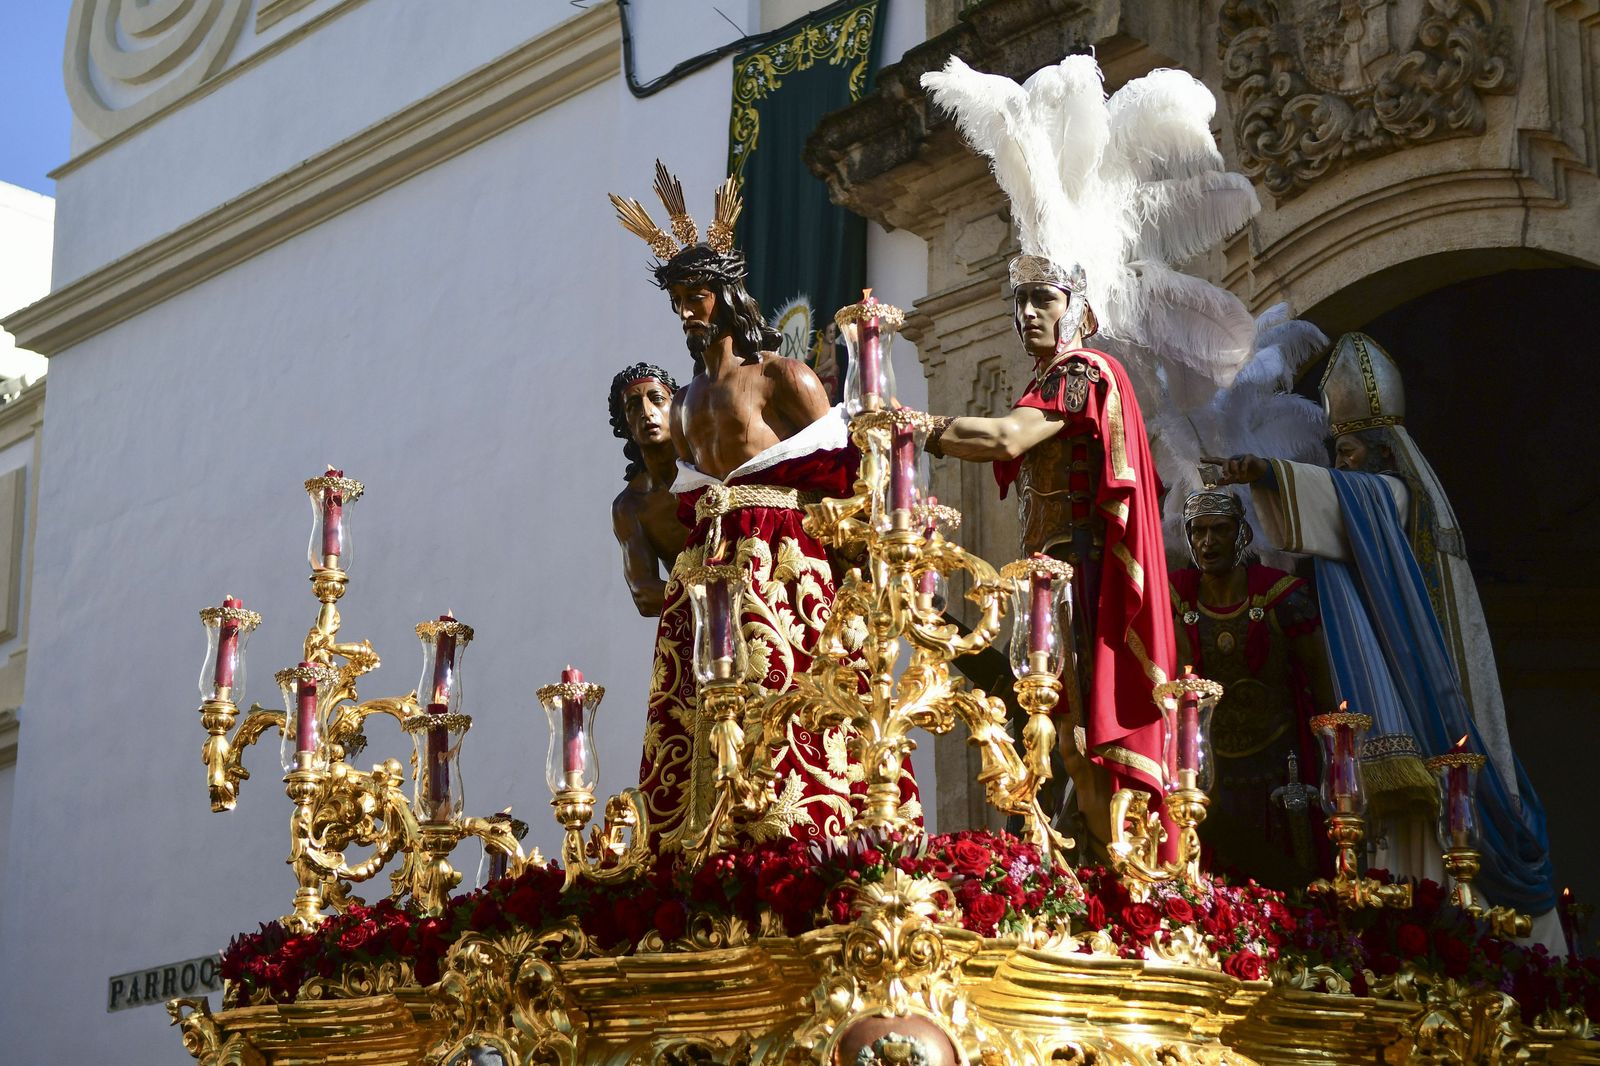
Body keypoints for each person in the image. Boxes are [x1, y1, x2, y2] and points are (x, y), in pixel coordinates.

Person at [610, 163, 919, 851]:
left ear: (725, 297)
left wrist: (858, 561)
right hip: (713, 560)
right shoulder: (685, 400)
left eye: (697, 299)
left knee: (789, 692)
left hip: (784, 556)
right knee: (708, 706)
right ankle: (705, 831)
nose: (687, 315)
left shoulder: (783, 376)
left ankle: (806, 824)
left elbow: (843, 466)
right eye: (678, 304)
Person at [1204, 333, 1556, 931]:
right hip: (1387, 672)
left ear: (1384, 454)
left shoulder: (1392, 498)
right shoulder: (1373, 508)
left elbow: (1347, 501)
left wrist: (1268, 471)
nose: (1341, 468)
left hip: (1427, 686)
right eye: (1336, 457)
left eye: (1349, 455)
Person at [923, 259, 1173, 855]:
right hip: (1056, 579)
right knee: (1067, 739)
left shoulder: (1080, 371)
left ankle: (1114, 868)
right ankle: (1096, 866)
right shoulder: (1054, 379)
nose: (1027, 312)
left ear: (1080, 311)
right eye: (1019, 301)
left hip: (1083, 576)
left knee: (1083, 738)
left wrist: (910, 428)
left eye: (1043, 299)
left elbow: (1005, 439)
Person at [1169, 489, 1334, 888]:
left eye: (1220, 530)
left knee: (1288, 870)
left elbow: (1321, 678)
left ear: (1241, 534)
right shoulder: (1173, 598)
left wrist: (1333, 754)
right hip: (1209, 768)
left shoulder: (1283, 597)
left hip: (1279, 763)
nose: (1208, 543)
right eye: (1199, 532)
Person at [608, 363, 688, 617]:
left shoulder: (710, 465)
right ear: (626, 425)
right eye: (633, 406)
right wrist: (707, 597)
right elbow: (643, 592)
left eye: (656, 399)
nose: (646, 412)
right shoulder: (630, 507)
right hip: (699, 618)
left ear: (674, 408)